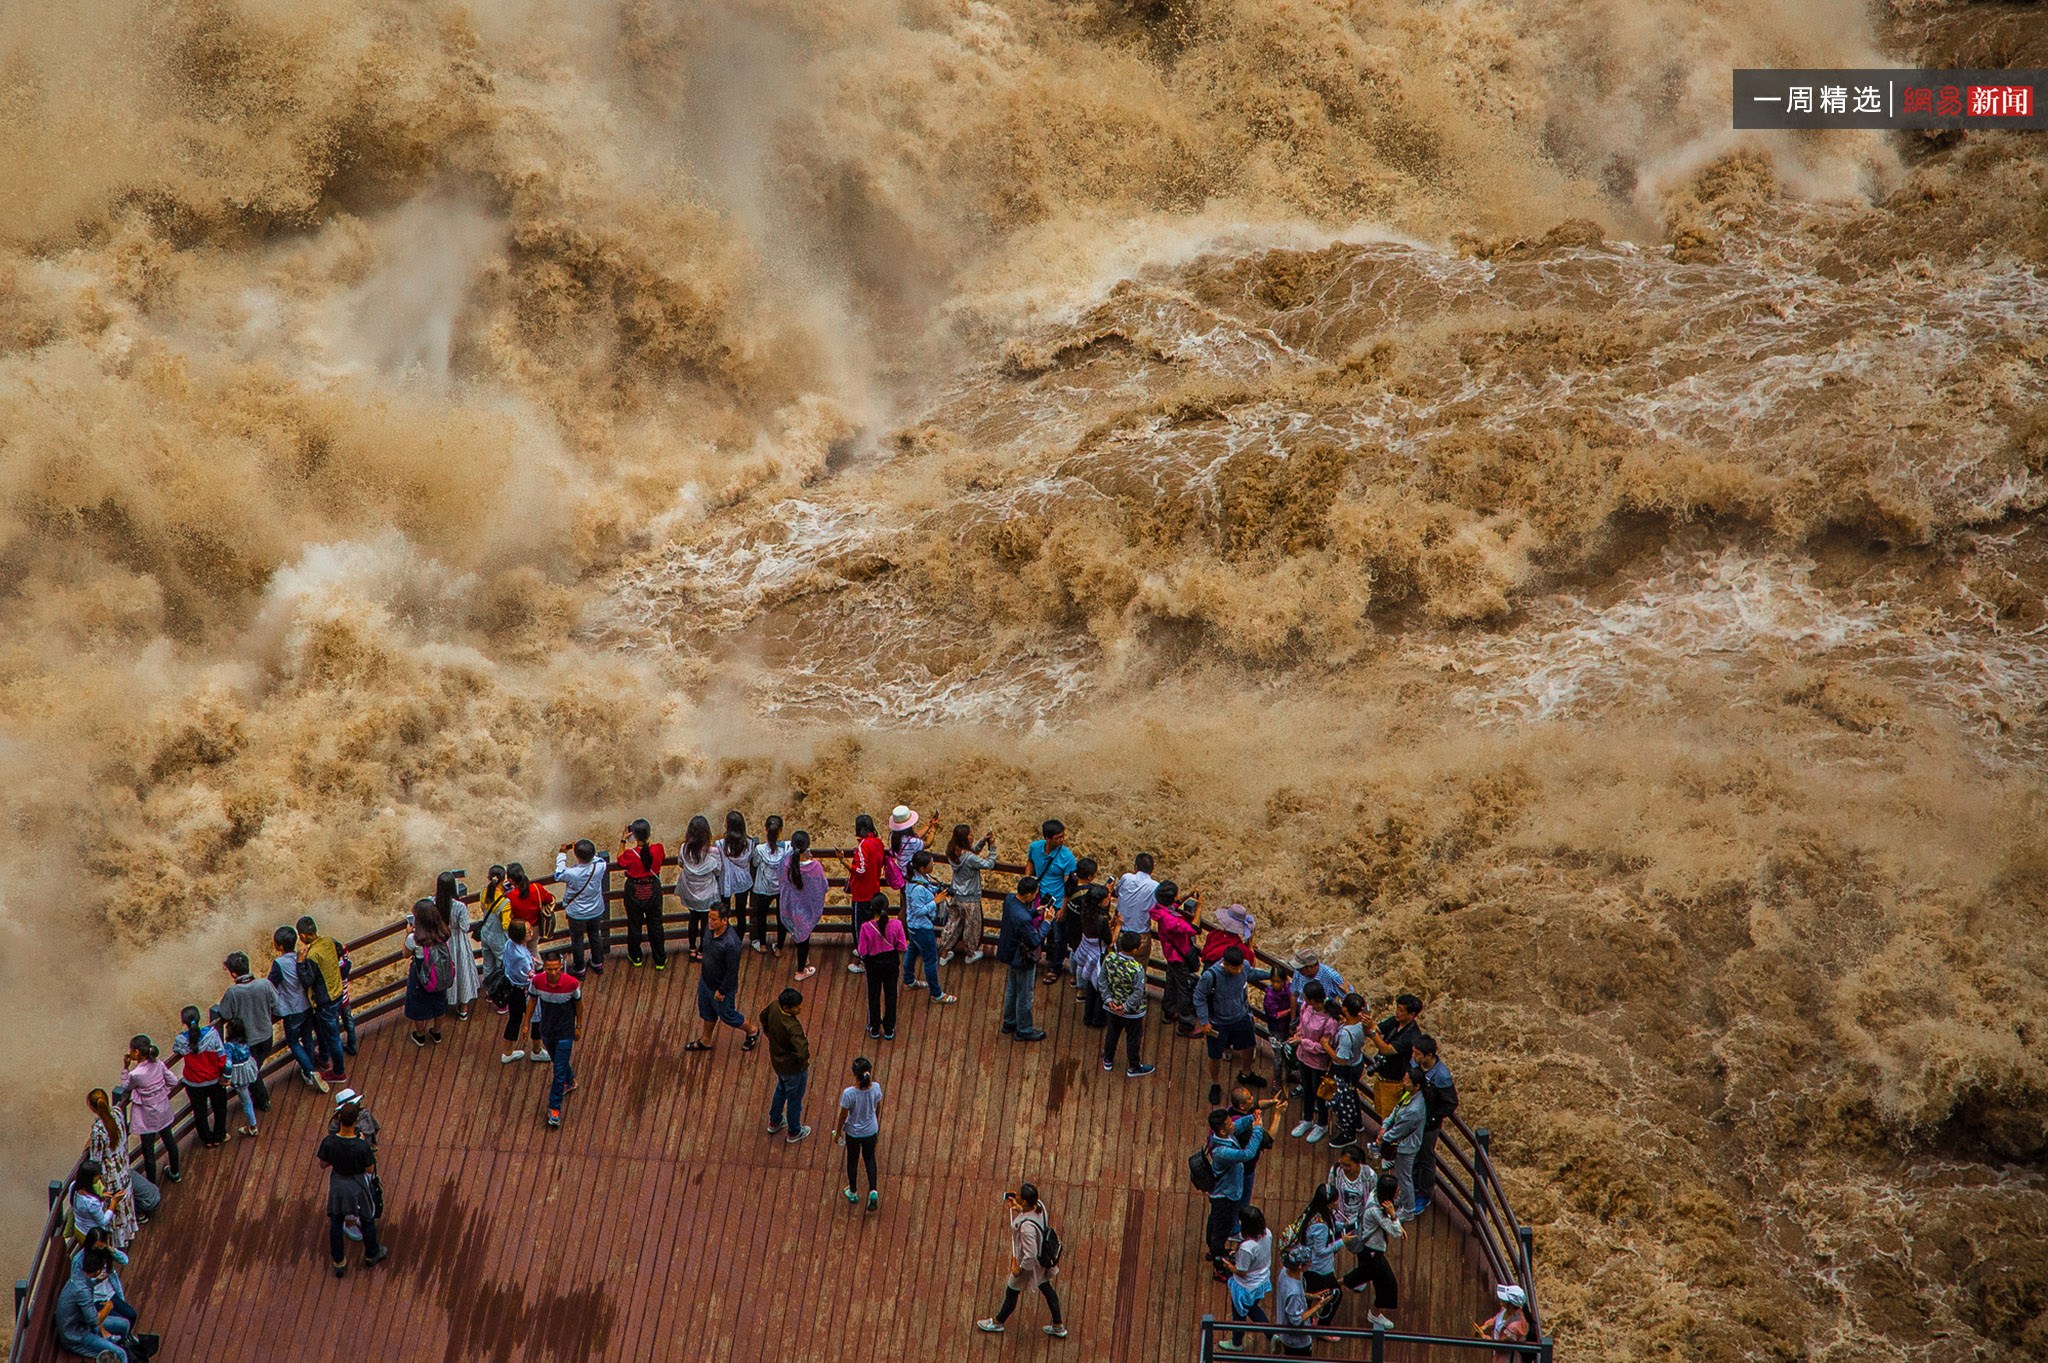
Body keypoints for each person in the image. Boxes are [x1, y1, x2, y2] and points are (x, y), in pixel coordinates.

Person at [974, 1183, 1065, 1338]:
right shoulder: (1039, 1206)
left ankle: (997, 1322)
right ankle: (1058, 1325)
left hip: (1029, 1265)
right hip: (1041, 1261)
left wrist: (1019, 1271)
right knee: (1047, 1290)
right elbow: (1030, 1214)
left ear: (1025, 1202)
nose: (1015, 1197)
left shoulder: (1026, 1228)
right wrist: (1019, 1208)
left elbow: (1030, 1254)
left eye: (1019, 1197)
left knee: (1012, 1291)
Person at [1204, 1100, 1281, 1267]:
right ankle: (1218, 1260)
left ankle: (1212, 1248)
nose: (1233, 1124)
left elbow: (1237, 1126)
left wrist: (1251, 1118)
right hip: (1225, 1194)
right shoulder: (1221, 1152)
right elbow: (1247, 1154)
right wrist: (1258, 1129)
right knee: (1222, 1229)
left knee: (1215, 1220)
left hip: (1220, 1191)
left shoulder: (1221, 1134)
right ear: (1223, 1130)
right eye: (1229, 1123)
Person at [1194, 945, 1272, 1108]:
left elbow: (1252, 974)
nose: (1238, 971)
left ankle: (1246, 1073)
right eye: (1234, 968)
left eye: (1240, 967)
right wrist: (1204, 1021)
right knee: (1215, 1055)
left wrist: (1271, 975)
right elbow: (1199, 996)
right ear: (1225, 963)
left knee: (1249, 1045)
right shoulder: (1211, 976)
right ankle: (1215, 1083)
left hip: (1241, 1017)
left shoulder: (1243, 966)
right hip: (1218, 1022)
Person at [317, 1101, 389, 1276]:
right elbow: (370, 1169)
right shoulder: (362, 1146)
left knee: (336, 1221)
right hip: (357, 1184)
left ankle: (339, 1262)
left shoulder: (329, 1141)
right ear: (356, 1121)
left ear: (339, 1118)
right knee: (367, 1218)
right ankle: (372, 1253)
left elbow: (323, 1164)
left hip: (338, 1185)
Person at [57, 1244, 159, 1361]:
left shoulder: (79, 1277)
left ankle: (125, 1344)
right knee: (121, 1354)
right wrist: (108, 1308)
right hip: (76, 1336)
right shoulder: (83, 1292)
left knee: (125, 1324)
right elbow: (95, 1321)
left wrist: (96, 1281)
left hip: (81, 1322)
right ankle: (123, 1350)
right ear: (98, 1270)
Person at [688, 906, 762, 1054]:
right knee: (707, 1012)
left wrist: (721, 990)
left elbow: (732, 971)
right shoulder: (709, 930)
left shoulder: (731, 943)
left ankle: (752, 1031)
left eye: (714, 919)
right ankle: (706, 1040)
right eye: (709, 918)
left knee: (728, 1016)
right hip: (706, 981)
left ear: (724, 920)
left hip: (721, 988)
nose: (710, 922)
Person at [216, 952, 277, 1114]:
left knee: (251, 1072)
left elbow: (225, 1013)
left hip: (247, 1042)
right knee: (253, 1068)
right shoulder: (264, 984)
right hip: (266, 1036)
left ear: (234, 974)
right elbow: (275, 1002)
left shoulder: (232, 993)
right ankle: (261, 1099)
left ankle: (263, 1101)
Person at [266, 927, 326, 1092]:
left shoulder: (279, 964)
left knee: (293, 1041)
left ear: (279, 946)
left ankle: (309, 1071)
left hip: (291, 1009)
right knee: (307, 1037)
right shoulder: (301, 957)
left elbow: (271, 984)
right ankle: (310, 1067)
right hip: (306, 1005)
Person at [1343, 1173, 1403, 1331]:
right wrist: (1394, 1216)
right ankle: (1374, 1314)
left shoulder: (1374, 1195)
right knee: (1387, 1284)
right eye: (1396, 1190)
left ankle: (1336, 1284)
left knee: (1363, 1273)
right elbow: (1394, 1232)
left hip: (1366, 1247)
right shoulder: (1376, 1211)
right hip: (1372, 1251)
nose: (1399, 1191)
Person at [529, 949, 581, 1128]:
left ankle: (554, 1108)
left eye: (556, 969)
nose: (552, 973)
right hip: (547, 1031)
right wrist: (526, 1024)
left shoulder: (571, 984)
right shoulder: (537, 981)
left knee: (557, 1072)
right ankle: (571, 1080)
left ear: (561, 967)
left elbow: (579, 1005)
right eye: (549, 969)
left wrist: (578, 1026)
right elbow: (532, 1001)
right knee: (557, 1061)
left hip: (565, 1032)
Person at [117, 1037, 180, 1186]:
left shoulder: (136, 1074)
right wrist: (160, 1091)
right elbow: (173, 1081)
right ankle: (175, 1173)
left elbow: (126, 1086)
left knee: (148, 1151)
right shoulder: (158, 1064)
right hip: (162, 1109)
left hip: (147, 1116)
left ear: (137, 1052)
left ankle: (152, 1185)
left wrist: (125, 1067)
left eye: (131, 1050)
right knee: (169, 1140)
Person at [294, 915, 349, 1084]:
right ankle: (324, 1059)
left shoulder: (312, 955)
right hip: (338, 993)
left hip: (326, 1002)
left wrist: (300, 962)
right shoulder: (328, 941)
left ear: (303, 936)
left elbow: (306, 981)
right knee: (329, 1033)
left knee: (333, 1038)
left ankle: (339, 1072)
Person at [995, 876, 1050, 1042]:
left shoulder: (1010, 899)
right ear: (1028, 895)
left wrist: (1035, 911)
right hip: (1022, 957)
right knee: (1025, 994)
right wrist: (1046, 923)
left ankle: (1009, 1021)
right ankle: (1024, 1029)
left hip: (1009, 952)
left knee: (1012, 989)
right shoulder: (1024, 919)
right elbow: (1034, 940)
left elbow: (1019, 914)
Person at [900, 850, 957, 1005]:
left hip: (913, 926)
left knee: (912, 951)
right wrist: (936, 901)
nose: (933, 865)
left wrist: (936, 892)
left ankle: (909, 980)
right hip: (922, 927)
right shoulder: (917, 888)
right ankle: (936, 994)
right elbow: (919, 911)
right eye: (931, 864)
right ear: (923, 868)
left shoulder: (916, 879)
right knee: (931, 960)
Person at [84, 1092, 140, 1247]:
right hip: (123, 1165)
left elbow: (95, 1158)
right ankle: (128, 1233)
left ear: (92, 1108)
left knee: (113, 1207)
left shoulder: (98, 1131)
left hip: (110, 1174)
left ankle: (117, 1241)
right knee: (125, 1201)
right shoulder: (117, 1113)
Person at [1412, 1034, 1459, 1215]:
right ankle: (1411, 1187)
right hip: (1414, 1117)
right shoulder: (1416, 1063)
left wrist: (1433, 1118)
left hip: (1429, 1124)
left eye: (1417, 1054)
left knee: (1425, 1157)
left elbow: (1451, 1102)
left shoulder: (1441, 1075)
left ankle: (1423, 1193)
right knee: (1412, 1153)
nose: (1414, 1057)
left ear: (1429, 1055)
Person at [1098, 932, 1155, 1078]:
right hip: (1132, 1013)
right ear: (1135, 950)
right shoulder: (1137, 968)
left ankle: (1108, 1059)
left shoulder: (1109, 958)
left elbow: (1102, 980)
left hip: (1111, 1007)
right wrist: (1125, 1007)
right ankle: (1134, 1066)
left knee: (1112, 1032)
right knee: (1133, 1039)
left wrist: (1109, 1000)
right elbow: (1138, 992)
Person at [1218, 1205, 1274, 1352]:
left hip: (1245, 1286)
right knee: (1252, 1309)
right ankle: (1271, 1335)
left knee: (1239, 1314)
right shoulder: (1267, 1233)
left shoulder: (1247, 1248)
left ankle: (1236, 1343)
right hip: (1260, 1281)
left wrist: (1228, 1265)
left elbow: (1241, 1271)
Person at [171, 1006, 228, 1148]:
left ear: (183, 1022)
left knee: (199, 1112)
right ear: (199, 1019)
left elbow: (177, 1049)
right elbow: (222, 1056)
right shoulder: (212, 1034)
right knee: (220, 1108)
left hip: (194, 1083)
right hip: (214, 1080)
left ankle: (207, 1139)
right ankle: (219, 1136)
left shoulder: (180, 1040)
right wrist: (224, 1075)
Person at [1285, 1185, 1343, 1326]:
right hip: (1318, 1267)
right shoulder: (1320, 1226)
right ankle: (1323, 1326)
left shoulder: (1315, 1211)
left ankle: (1309, 1319)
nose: (1338, 1202)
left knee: (1309, 1292)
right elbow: (1321, 1251)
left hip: (1311, 1265)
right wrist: (1342, 1242)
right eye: (1335, 1200)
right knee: (1335, 1294)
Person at [554, 838, 612, 976]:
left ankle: (579, 969)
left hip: (577, 913)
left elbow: (558, 874)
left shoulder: (572, 873)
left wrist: (562, 853)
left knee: (577, 940)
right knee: (595, 935)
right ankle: (597, 963)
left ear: (577, 856)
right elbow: (597, 858)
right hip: (596, 909)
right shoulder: (600, 866)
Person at [761, 987, 812, 1144]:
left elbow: (763, 1016)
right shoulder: (793, 1027)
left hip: (778, 1062)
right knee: (794, 1100)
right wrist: (802, 1063)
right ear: (787, 1008)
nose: (800, 1008)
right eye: (797, 1006)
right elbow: (802, 1051)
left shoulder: (774, 1007)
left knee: (781, 1089)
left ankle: (775, 1121)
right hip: (793, 1068)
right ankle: (794, 1131)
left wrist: (768, 1034)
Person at [939, 824, 996, 965]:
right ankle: (970, 953)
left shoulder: (951, 851)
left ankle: (943, 954)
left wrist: (982, 841)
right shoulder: (970, 857)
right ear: (965, 838)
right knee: (972, 927)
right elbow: (989, 864)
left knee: (952, 924)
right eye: (970, 834)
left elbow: (971, 853)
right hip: (970, 898)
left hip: (956, 895)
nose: (972, 836)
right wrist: (992, 848)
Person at [833, 1056, 884, 1209]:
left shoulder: (849, 1093)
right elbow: (878, 1106)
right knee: (870, 1158)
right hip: (871, 1130)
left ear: (855, 1074)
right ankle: (873, 1190)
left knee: (852, 1160)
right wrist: (875, 1122)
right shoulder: (876, 1088)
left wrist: (838, 1133)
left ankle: (853, 1192)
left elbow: (843, 1114)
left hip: (853, 1133)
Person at [402, 896, 453, 1047]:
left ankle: (420, 1035)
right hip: (440, 973)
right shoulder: (443, 931)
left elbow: (405, 954)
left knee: (418, 1004)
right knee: (439, 1002)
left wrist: (407, 933)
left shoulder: (415, 938)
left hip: (421, 977)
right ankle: (436, 1032)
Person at [1377, 1067, 1427, 1219]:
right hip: (1401, 1143)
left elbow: (1399, 1130)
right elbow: (1395, 1110)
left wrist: (1383, 1138)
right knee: (1403, 1175)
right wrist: (1385, 1125)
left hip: (1407, 1147)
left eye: (1407, 1081)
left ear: (1417, 1086)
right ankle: (1404, 1200)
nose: (1404, 1082)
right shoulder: (1408, 1094)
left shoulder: (1414, 1109)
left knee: (1405, 1178)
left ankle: (1408, 1210)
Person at [777, 830, 826, 981]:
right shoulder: (814, 867)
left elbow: (781, 881)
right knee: (803, 939)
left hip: (788, 908)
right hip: (805, 911)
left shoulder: (784, 863)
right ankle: (800, 971)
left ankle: (802, 958)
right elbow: (823, 886)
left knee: (799, 936)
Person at [1150, 883, 1200, 1032]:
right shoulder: (1171, 921)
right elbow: (1194, 929)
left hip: (1171, 955)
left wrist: (1188, 894)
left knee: (1171, 982)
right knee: (1183, 988)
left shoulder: (1160, 910)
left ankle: (1169, 1012)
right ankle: (1186, 1024)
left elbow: (1173, 906)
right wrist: (1199, 907)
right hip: (1179, 957)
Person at [1271, 1244, 1336, 1357]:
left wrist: (1312, 1296)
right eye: (1308, 1262)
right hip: (1297, 1342)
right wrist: (1319, 1305)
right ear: (1300, 1266)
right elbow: (1296, 1320)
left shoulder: (1285, 1273)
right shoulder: (1294, 1292)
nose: (1311, 1263)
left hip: (1285, 1333)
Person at [856, 896, 906, 1040]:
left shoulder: (866, 927)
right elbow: (903, 946)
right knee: (891, 995)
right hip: (891, 962)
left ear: (872, 908)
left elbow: (862, 951)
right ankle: (889, 1029)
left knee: (873, 995)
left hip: (873, 964)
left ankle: (875, 1027)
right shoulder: (896, 924)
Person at [840, 813, 885, 970]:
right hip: (874, 890)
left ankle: (863, 961)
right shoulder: (878, 843)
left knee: (860, 929)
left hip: (861, 894)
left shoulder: (862, 846)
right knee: (872, 925)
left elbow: (860, 870)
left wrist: (842, 861)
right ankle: (870, 952)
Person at [1369, 994, 1424, 1120]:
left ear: (1412, 1014)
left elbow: (1386, 1049)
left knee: (1389, 1119)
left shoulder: (1412, 1035)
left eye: (1401, 1010)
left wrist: (1372, 1032)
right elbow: (1376, 1028)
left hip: (1394, 1083)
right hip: (1382, 1076)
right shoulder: (1395, 1021)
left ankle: (1386, 1139)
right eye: (1397, 1009)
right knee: (1379, 1110)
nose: (1397, 1013)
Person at [676, 815, 721, 962]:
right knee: (706, 922)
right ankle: (702, 949)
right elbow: (718, 871)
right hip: (707, 892)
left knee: (693, 919)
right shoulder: (713, 851)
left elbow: (681, 864)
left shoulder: (684, 848)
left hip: (690, 891)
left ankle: (692, 948)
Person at [1067, 881, 1111, 1026]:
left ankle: (1088, 1017)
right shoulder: (1101, 921)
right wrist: (1118, 926)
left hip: (1086, 949)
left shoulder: (1086, 910)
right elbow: (1110, 940)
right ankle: (1098, 1019)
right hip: (1098, 953)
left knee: (1092, 986)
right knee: (1100, 987)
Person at [748, 815, 790, 956]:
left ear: (765, 829)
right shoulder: (787, 848)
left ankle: (763, 945)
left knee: (761, 916)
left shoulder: (759, 849)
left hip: (763, 889)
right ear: (781, 830)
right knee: (781, 918)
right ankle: (779, 948)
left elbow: (754, 863)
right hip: (781, 888)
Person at [499, 919, 537, 1063]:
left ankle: (508, 1052)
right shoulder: (522, 957)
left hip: (511, 987)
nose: (531, 932)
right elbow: (529, 977)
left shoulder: (510, 944)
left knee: (514, 1019)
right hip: (522, 991)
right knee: (535, 1018)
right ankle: (537, 1050)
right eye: (528, 931)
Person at [717, 810, 755, 943]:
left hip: (726, 881)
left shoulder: (720, 844)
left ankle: (725, 938)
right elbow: (751, 859)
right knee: (741, 912)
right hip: (743, 880)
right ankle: (738, 940)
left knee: (724, 913)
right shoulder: (750, 843)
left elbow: (717, 863)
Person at [1026, 819, 1078, 914]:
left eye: (1062, 836)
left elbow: (1069, 886)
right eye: (1057, 838)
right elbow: (1030, 862)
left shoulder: (1067, 857)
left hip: (1056, 904)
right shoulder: (1035, 847)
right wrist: (1027, 880)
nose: (1061, 840)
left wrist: (1063, 909)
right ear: (1047, 838)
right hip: (1036, 899)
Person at [477, 865, 512, 1004]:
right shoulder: (505, 903)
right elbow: (506, 925)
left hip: (485, 932)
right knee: (501, 966)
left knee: (488, 963)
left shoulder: (483, 892)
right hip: (498, 936)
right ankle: (499, 995)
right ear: (504, 880)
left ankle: (489, 993)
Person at [221, 1020, 260, 1138]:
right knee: (246, 1095)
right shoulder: (245, 1040)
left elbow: (227, 1063)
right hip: (247, 1067)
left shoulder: (229, 1046)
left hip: (238, 1073)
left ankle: (252, 1126)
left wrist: (226, 1078)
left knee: (246, 1101)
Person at [1113, 852, 1160, 947]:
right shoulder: (1155, 886)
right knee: (1141, 961)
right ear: (1152, 870)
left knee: (1116, 959)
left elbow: (1117, 893)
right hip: (1140, 936)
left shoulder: (1126, 878)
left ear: (1135, 867)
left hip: (1119, 932)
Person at [1479, 1284, 1533, 1360]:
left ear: (1511, 1305)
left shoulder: (1514, 1326)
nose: (1501, 1300)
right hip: (1498, 1357)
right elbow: (1496, 1319)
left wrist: (1487, 1339)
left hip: (1506, 1359)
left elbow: (1503, 1346)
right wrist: (1486, 1326)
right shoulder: (1505, 1310)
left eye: (1504, 1299)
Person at [503, 862, 554, 942]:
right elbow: (550, 899)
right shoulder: (537, 888)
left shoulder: (509, 896)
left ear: (510, 880)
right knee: (533, 949)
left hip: (519, 930)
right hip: (534, 927)